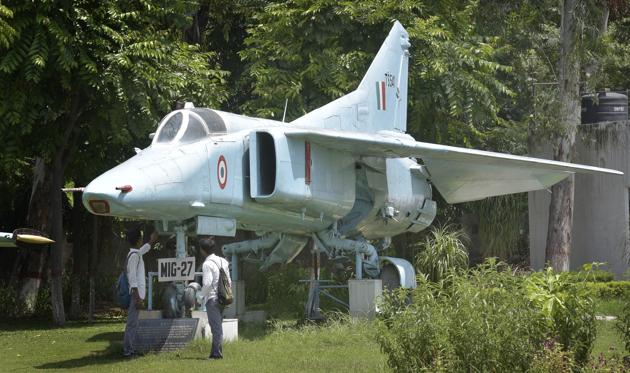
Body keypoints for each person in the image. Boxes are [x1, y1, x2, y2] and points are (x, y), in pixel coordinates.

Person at [123, 227, 159, 358]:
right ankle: (128, 351)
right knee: (131, 323)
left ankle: (130, 348)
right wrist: (137, 297)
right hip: (135, 295)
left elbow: (142, 250)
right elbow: (132, 279)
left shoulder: (135, 253)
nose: (142, 239)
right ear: (138, 240)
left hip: (137, 295)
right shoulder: (134, 257)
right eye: (141, 237)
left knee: (134, 323)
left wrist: (151, 241)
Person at [199, 237, 232, 360]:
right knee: (217, 327)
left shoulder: (207, 264)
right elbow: (228, 281)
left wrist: (200, 296)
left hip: (212, 300)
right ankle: (215, 353)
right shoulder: (223, 261)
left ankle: (216, 355)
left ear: (202, 250)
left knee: (216, 329)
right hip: (223, 298)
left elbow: (207, 284)